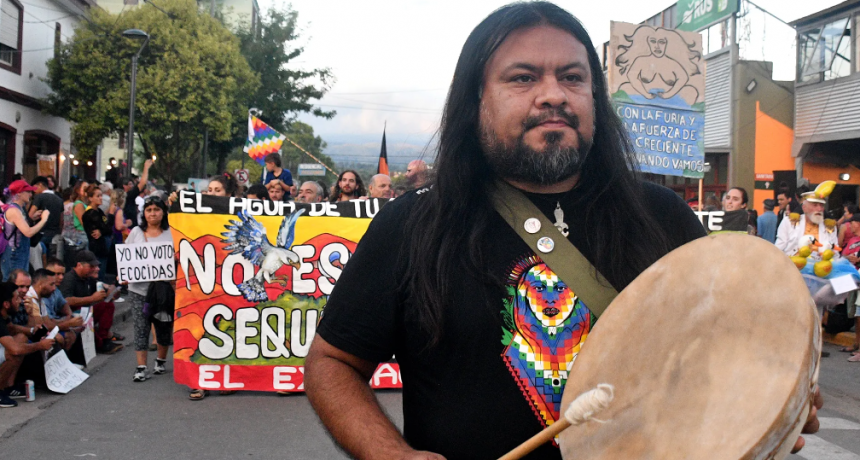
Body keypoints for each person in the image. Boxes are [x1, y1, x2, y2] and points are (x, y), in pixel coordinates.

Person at [304, 4, 814, 459]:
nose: (553, 95)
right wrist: (392, 456)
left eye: (572, 77)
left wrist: (776, 403)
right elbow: (332, 363)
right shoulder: (411, 226)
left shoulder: (663, 218)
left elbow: (727, 358)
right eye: (522, 78)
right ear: (475, 101)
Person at [125, 196, 173, 382]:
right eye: (149, 210)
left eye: (157, 209)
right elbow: (126, 258)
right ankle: (141, 366)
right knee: (140, 326)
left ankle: (160, 361)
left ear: (163, 212)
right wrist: (124, 275)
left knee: (163, 324)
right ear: (143, 213)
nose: (153, 213)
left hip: (164, 289)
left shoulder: (171, 233)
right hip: (138, 289)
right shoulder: (136, 232)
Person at [0, 282, 55, 408]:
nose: (20, 300)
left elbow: (12, 329)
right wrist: (40, 345)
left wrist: (31, 326)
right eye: (16, 298)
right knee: (12, 353)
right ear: (6, 304)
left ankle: (8, 386)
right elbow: (15, 349)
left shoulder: (4, 315)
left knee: (21, 338)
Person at [59, 251, 123, 354]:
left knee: (107, 305)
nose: (96, 269)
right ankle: (100, 343)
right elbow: (66, 300)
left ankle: (104, 338)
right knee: (84, 316)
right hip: (72, 315)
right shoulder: (69, 279)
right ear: (79, 265)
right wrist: (91, 299)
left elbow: (102, 290)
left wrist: (112, 292)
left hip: (85, 312)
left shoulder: (87, 278)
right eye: (92, 266)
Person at [2, 180, 50, 278]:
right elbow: (28, 232)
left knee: (21, 283)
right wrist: (44, 220)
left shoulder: (19, 209)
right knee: (13, 285)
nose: (30, 194)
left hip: (20, 253)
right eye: (28, 191)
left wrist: (31, 219)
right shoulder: (14, 210)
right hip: (14, 254)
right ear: (19, 193)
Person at [775, 189, 839, 256]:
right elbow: (778, 249)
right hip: (793, 264)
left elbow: (836, 253)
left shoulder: (829, 226)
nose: (819, 209)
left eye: (821, 205)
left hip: (822, 264)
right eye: (815, 205)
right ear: (804, 208)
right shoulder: (789, 222)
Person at [28, 176, 64, 259]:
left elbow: (30, 215)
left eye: (34, 188)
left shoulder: (39, 197)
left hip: (40, 234)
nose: (33, 191)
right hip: (55, 235)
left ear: (40, 185)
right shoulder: (59, 199)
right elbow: (61, 220)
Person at [81, 185, 112, 280]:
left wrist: (103, 230)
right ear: (90, 198)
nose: (101, 198)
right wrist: (104, 229)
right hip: (97, 247)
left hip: (103, 246)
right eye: (98, 196)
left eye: (101, 195)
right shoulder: (90, 213)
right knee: (98, 274)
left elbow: (109, 227)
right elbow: (103, 227)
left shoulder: (99, 211)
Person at [124, 159, 153, 231]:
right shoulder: (129, 196)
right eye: (130, 184)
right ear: (124, 186)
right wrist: (146, 168)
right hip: (129, 230)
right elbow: (142, 183)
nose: (132, 186)